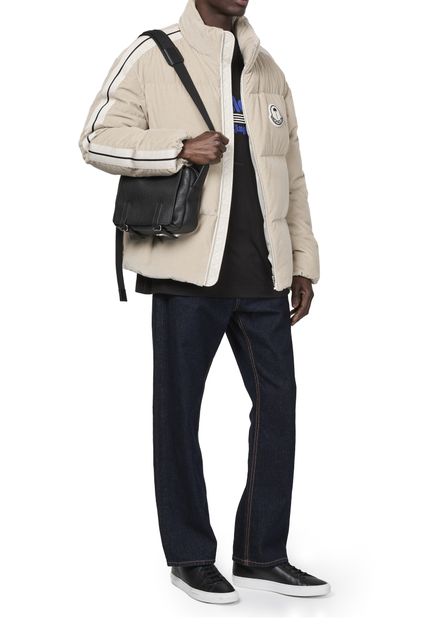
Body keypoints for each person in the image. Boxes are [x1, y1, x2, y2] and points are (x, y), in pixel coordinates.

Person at [79, 0, 330, 604]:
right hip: (185, 273)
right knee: (179, 417)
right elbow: (95, 140)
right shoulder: (154, 52)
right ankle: (190, 556)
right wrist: (178, 147)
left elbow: (292, 174)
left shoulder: (267, 69)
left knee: (279, 409)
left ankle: (262, 553)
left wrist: (303, 261)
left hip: (264, 276)